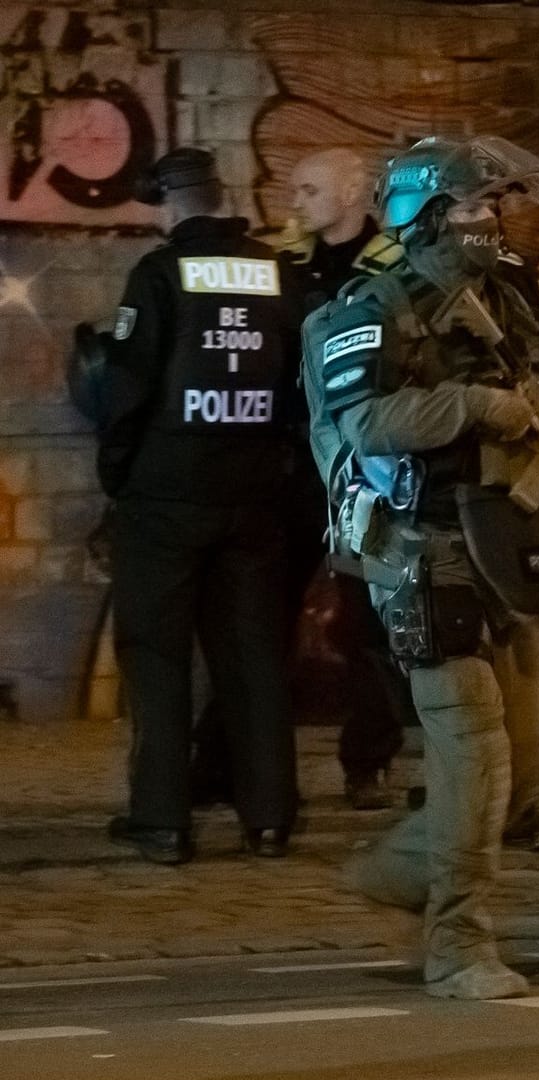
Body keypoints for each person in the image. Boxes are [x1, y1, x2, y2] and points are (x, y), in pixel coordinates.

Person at [309, 135, 539, 1000]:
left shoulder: (505, 300)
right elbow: (365, 422)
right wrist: (476, 406)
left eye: (495, 204)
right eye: (472, 206)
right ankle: (458, 945)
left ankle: (395, 871)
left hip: (502, 545)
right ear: (425, 215)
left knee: (526, 768)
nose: (490, 220)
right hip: (420, 549)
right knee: (476, 752)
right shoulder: (370, 306)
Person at [189, 147, 410, 812]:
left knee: (370, 626)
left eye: (311, 190)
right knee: (257, 621)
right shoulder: (278, 264)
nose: (297, 202)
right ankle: (223, 762)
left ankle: (368, 764)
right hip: (288, 469)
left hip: (363, 472)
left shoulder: (396, 267)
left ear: (352, 193)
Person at [97, 147, 302, 864]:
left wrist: (118, 476)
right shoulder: (276, 272)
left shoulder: (158, 275)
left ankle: (162, 820)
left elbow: (127, 389)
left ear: (168, 204)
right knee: (253, 657)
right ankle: (269, 819)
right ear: (219, 195)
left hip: (165, 496)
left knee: (156, 655)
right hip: (254, 495)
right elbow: (301, 381)